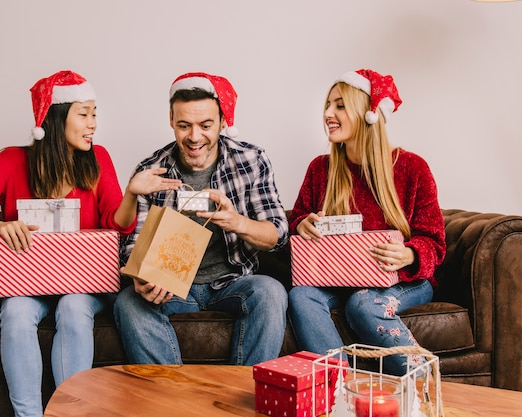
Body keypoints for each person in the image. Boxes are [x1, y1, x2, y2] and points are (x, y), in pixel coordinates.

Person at [0, 70, 181, 417]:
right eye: (83, 114)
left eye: (94, 113)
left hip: (85, 285)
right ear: (54, 119)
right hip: (28, 283)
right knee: (16, 311)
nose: (92, 124)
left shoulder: (98, 160)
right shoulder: (11, 161)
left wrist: (131, 192)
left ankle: (72, 413)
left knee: (72, 306)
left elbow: (119, 223)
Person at [113, 72, 289, 366]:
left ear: (223, 121)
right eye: (184, 126)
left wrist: (236, 221)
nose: (194, 137)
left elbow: (278, 234)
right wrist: (141, 277)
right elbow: (132, 244)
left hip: (233, 283)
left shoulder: (251, 160)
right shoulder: (151, 169)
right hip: (172, 290)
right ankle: (177, 401)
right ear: (171, 120)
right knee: (128, 303)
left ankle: (242, 401)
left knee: (271, 292)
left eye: (205, 125)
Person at [287, 69, 446, 375]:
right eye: (327, 105)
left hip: (403, 281)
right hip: (338, 279)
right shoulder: (321, 169)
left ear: (367, 114)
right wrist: (302, 226)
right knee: (301, 295)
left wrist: (411, 254)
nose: (328, 114)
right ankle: (339, 387)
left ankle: (423, 377)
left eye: (340, 105)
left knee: (364, 303)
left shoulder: (411, 168)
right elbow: (296, 221)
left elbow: (435, 243)